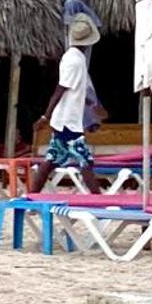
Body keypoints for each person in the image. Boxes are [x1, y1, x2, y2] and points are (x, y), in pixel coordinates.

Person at [30, 13, 105, 192]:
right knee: (85, 161)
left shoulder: (76, 58)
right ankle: (99, 200)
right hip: (67, 122)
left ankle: (31, 198)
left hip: (66, 121)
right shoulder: (74, 60)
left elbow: (74, 90)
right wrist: (45, 116)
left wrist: (91, 105)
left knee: (51, 160)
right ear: (88, 42)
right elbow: (60, 89)